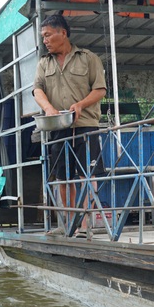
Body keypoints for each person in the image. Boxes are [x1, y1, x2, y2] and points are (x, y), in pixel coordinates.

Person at [32, 14, 106, 238]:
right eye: (42, 36)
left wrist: (81, 104)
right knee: (63, 177)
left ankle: (85, 227)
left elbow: (100, 90)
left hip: (85, 125)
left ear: (62, 33)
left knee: (86, 175)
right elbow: (37, 90)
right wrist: (48, 108)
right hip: (58, 126)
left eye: (47, 35)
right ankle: (67, 225)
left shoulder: (88, 58)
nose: (44, 40)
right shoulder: (44, 63)